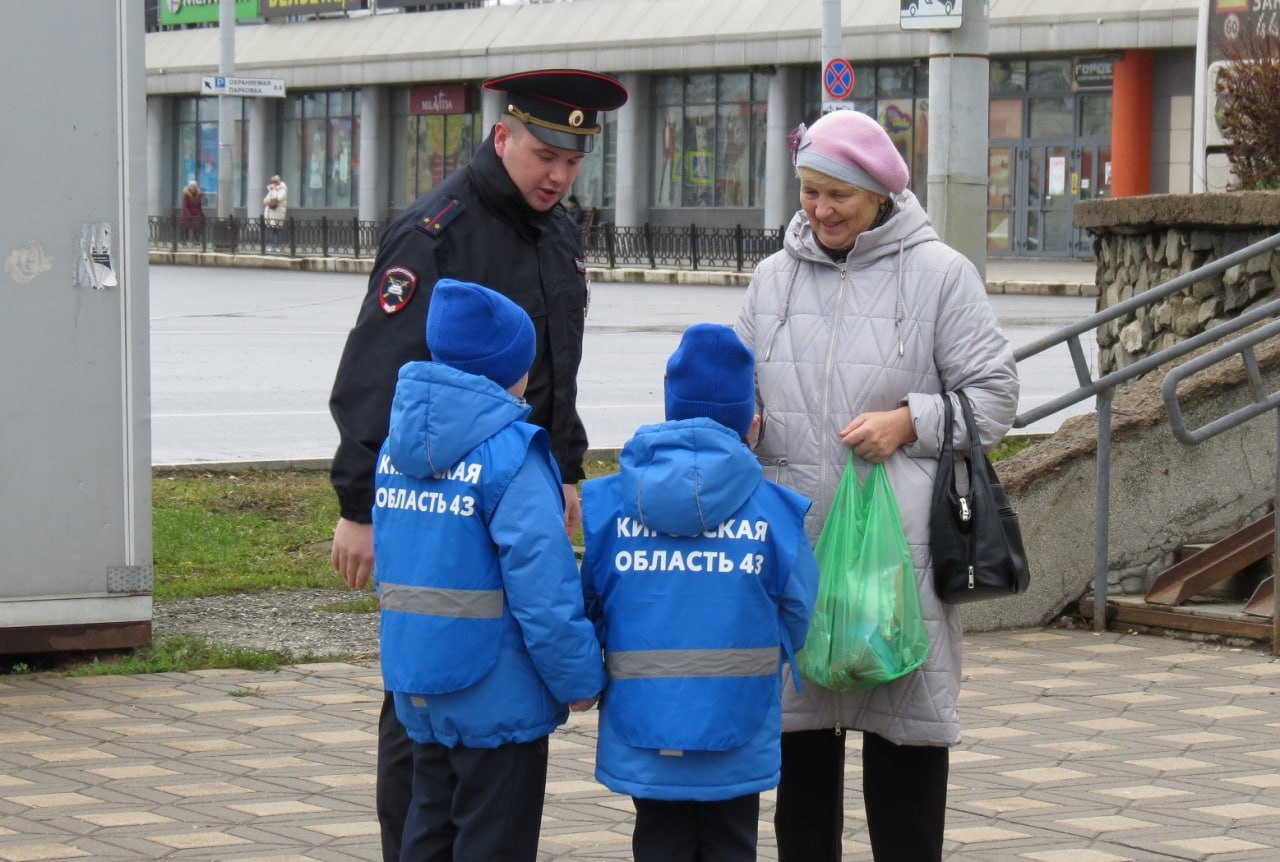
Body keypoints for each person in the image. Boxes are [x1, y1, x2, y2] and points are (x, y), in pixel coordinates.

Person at [327, 68, 628, 862]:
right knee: (427, 690)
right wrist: (358, 506)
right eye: (543, 154)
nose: (558, 176)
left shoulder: (557, 229)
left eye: (574, 160)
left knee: (492, 672)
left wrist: (564, 467)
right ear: (503, 137)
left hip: (521, 484)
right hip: (440, 503)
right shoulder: (437, 232)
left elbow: (558, 364)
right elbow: (375, 372)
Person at [735, 108, 1020, 862]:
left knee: (906, 748)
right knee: (800, 761)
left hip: (901, 563)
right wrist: (740, 423)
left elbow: (994, 398)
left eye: (840, 196)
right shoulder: (772, 280)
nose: (821, 210)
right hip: (799, 551)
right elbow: (738, 386)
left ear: (881, 195)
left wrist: (909, 421)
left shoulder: (939, 275)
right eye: (809, 192)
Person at [374, 277, 604, 861]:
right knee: (494, 836)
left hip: (420, 682)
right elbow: (544, 587)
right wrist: (577, 680)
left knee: (429, 824)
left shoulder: (395, 450)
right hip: (496, 696)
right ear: (512, 370)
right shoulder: (510, 455)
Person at [580, 323, 819, 862]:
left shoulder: (612, 504)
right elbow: (799, 609)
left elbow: (591, 602)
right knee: (733, 841)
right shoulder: (773, 511)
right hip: (737, 718)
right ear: (750, 423)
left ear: (670, 408)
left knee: (658, 840)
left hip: (645, 720)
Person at [263, 175, 288, 247]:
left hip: (278, 213)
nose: (273, 183)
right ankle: (273, 244)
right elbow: (265, 200)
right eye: (272, 182)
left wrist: (273, 190)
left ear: (278, 182)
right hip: (271, 213)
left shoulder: (283, 190)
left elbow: (278, 199)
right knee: (271, 230)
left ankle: (277, 244)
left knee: (277, 229)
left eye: (275, 182)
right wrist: (269, 198)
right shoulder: (272, 190)